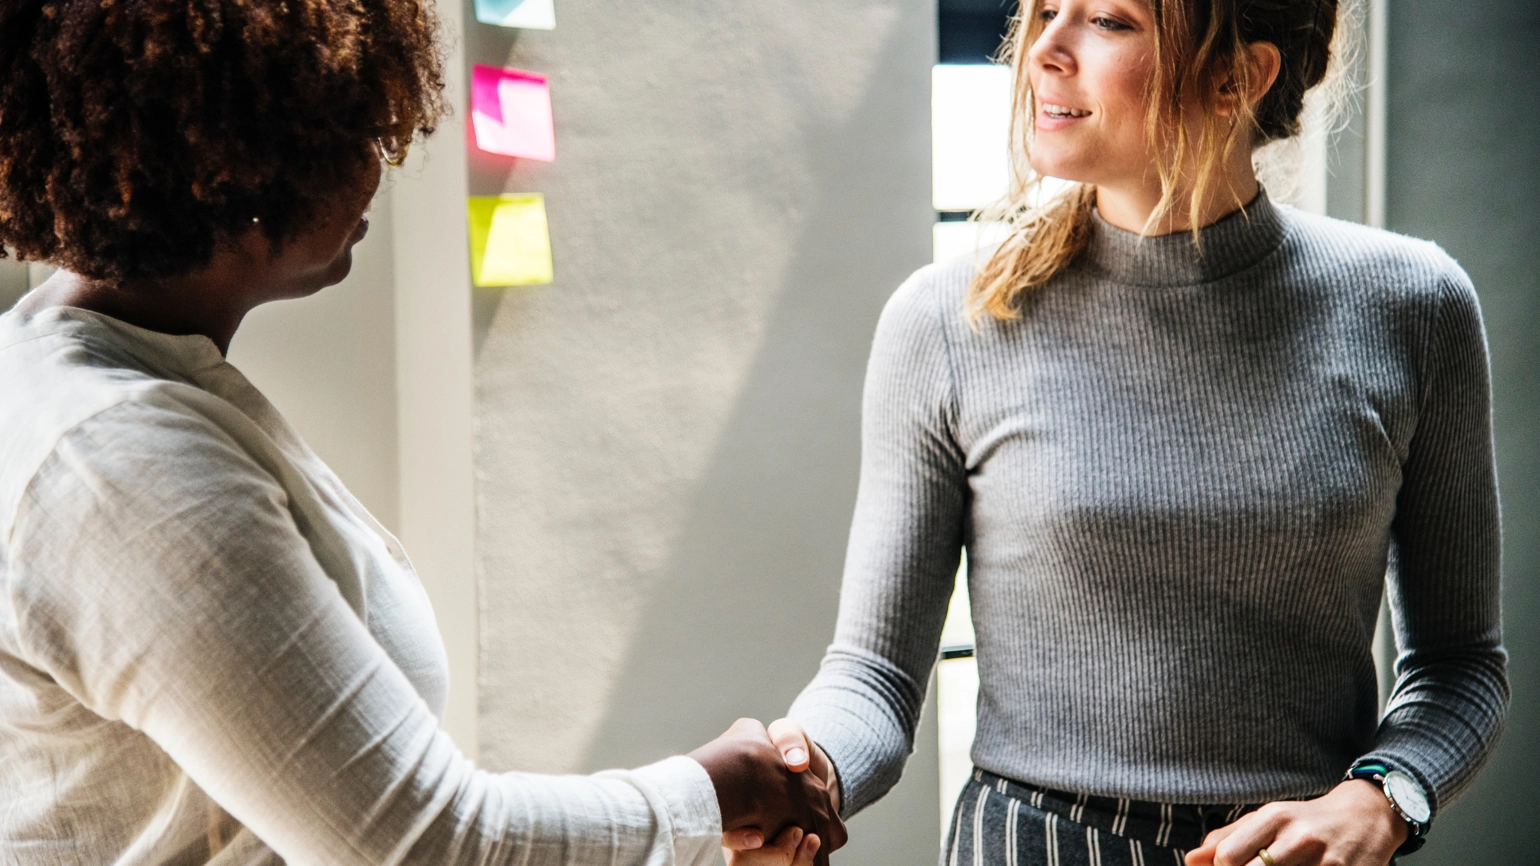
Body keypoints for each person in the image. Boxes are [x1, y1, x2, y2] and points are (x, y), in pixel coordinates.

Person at [0, 2, 843, 865]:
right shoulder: (123, 467)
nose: (382, 164)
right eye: (349, 131)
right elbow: (429, 845)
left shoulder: (75, 376)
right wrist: (715, 792)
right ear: (237, 164)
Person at [741, 1, 1508, 865]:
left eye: (1106, 19)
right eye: (1045, 10)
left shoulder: (1414, 307)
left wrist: (1384, 797)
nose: (1043, 49)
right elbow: (874, 678)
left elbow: (1460, 666)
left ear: (1239, 76)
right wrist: (801, 780)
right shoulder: (947, 321)